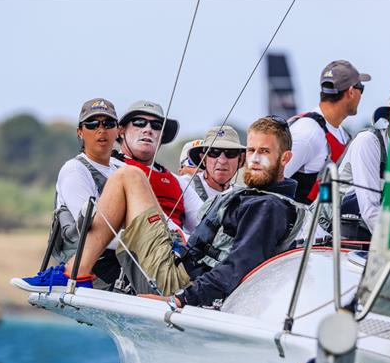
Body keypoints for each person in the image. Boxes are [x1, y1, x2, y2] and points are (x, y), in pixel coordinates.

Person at [16, 117, 305, 308]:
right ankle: (77, 271)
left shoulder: (268, 206)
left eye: (264, 152)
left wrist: (180, 300)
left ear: (285, 158)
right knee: (130, 177)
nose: (253, 160)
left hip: (176, 281)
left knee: (128, 177)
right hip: (178, 264)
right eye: (251, 150)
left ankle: (75, 273)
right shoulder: (254, 197)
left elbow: (239, 267)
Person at [51, 98, 123, 287]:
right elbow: (90, 234)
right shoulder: (75, 170)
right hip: (93, 266)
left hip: (124, 257)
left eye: (108, 123)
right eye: (92, 124)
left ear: (118, 130)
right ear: (80, 132)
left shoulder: (122, 169)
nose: (101, 130)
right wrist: (143, 246)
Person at [285, 60, 370, 204]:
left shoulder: (342, 134)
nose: (361, 94)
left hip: (328, 223)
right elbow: (274, 182)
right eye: (360, 88)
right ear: (350, 92)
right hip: (301, 224)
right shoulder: (308, 132)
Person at [111, 100, 187, 231]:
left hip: (180, 248)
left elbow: (202, 217)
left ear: (161, 136)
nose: (148, 130)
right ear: (121, 130)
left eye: (156, 125)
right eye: (139, 123)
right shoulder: (109, 168)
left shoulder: (178, 181)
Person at [334, 90, 390, 239]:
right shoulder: (368, 141)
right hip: (332, 236)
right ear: (389, 118)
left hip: (365, 237)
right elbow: (370, 210)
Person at [178, 126, 246, 233]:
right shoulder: (184, 186)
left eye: (231, 153)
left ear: (240, 160)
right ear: (203, 159)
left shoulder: (245, 196)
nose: (222, 160)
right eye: (214, 152)